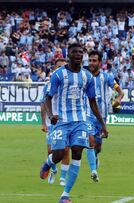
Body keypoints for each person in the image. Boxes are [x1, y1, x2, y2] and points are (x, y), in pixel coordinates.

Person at [39, 43, 108, 203]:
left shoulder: (87, 77)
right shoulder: (58, 75)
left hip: (80, 120)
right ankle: (48, 164)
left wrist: (103, 124)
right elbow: (47, 98)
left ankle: (65, 195)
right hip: (61, 121)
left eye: (80, 52)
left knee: (77, 152)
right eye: (74, 52)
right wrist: (51, 115)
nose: (78, 54)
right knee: (58, 155)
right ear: (68, 55)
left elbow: (92, 102)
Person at [85, 50, 124, 182]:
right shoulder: (84, 76)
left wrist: (118, 99)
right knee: (90, 141)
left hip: (102, 117)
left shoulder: (107, 77)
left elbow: (120, 92)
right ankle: (93, 171)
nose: (91, 63)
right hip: (87, 115)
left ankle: (95, 157)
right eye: (90, 60)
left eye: (94, 60)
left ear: (100, 63)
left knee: (98, 147)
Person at [40, 58, 70, 186]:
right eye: (59, 66)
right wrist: (43, 123)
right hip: (52, 123)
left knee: (66, 150)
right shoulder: (49, 85)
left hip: (67, 122)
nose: (61, 69)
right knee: (51, 152)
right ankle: (53, 170)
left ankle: (63, 178)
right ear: (55, 68)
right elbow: (43, 104)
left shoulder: (70, 84)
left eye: (63, 66)